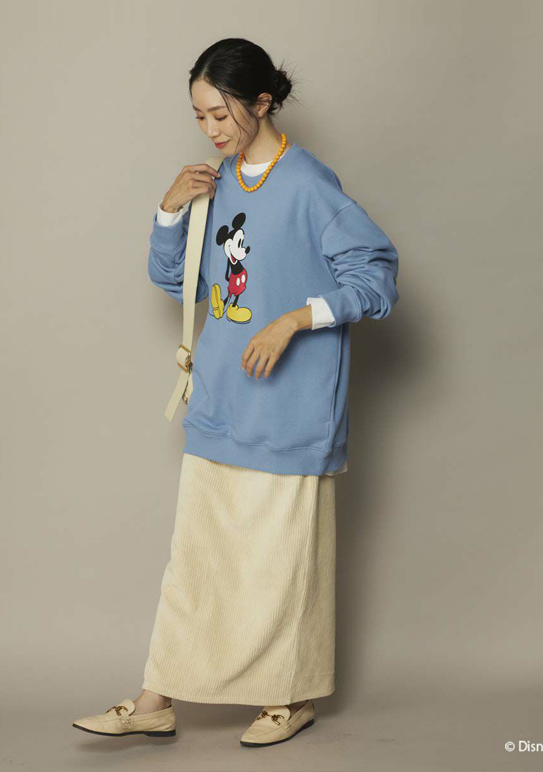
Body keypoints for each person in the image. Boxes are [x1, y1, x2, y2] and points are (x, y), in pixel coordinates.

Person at [73, 37, 400, 748]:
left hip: (291, 411)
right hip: (221, 404)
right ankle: (155, 699)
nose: (211, 130)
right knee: (197, 565)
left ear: (262, 102)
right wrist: (169, 211)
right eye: (199, 116)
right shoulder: (216, 184)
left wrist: (294, 319)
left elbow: (376, 278)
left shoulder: (308, 183)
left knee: (282, 565)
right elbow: (182, 286)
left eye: (221, 114)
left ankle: (288, 696)